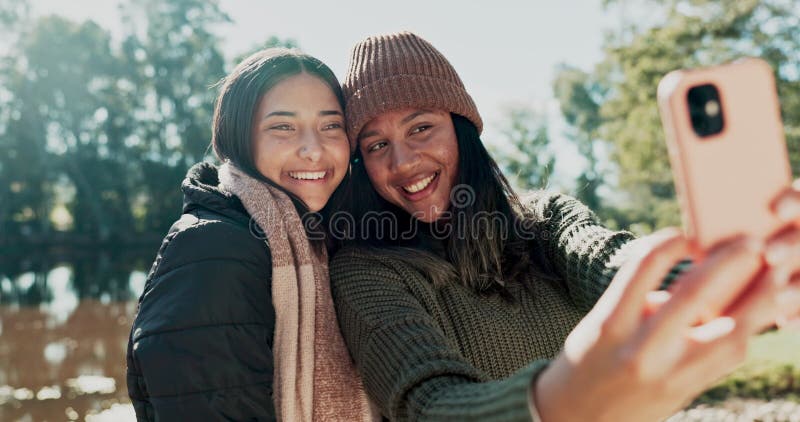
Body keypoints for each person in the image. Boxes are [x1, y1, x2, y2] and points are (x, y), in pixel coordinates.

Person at [329, 31, 800, 421]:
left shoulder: (546, 221)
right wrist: (552, 401)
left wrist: (744, 271)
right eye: (375, 146)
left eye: (420, 128)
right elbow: (427, 404)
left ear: (462, 129)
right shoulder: (366, 272)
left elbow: (611, 261)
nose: (404, 161)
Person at [126, 48, 375, 421]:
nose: (313, 150)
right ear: (239, 136)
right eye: (283, 127)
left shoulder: (328, 242)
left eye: (330, 126)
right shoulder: (212, 250)